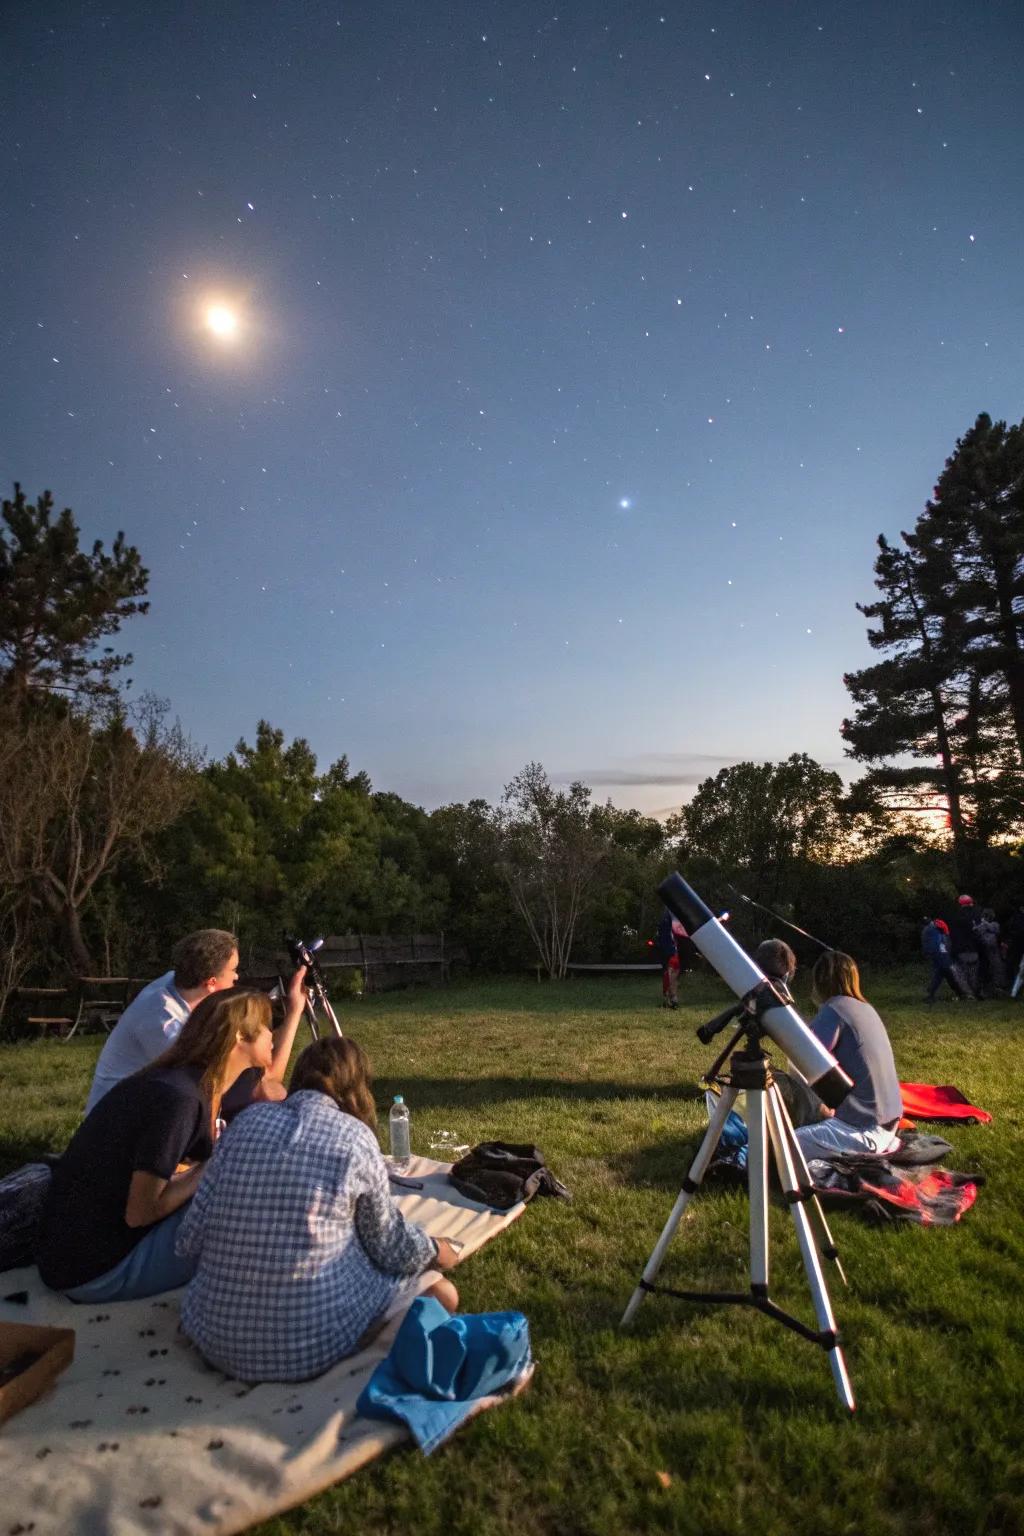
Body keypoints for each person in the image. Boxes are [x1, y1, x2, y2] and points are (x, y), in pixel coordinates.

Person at [175, 1036, 461, 1382]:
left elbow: (189, 1238)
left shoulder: (244, 1125)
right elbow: (389, 1246)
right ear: (356, 1086)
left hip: (213, 1337)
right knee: (441, 1293)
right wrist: (436, 1249)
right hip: (307, 1347)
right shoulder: (354, 1138)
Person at [37, 989, 279, 1302]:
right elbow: (140, 1212)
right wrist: (211, 1167)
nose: (272, 1035)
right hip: (96, 1269)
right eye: (265, 1027)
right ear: (238, 1038)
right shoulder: (179, 1101)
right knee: (244, 1197)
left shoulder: (187, 1083)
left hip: (76, 1255)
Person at [85, 929, 302, 1115]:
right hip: (121, 1122)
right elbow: (260, 1083)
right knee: (265, 1096)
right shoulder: (166, 1024)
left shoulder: (178, 984)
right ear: (211, 982)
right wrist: (294, 1012)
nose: (237, 977)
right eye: (233, 970)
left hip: (150, 1107)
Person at [792, 951, 903, 1162]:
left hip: (864, 1133)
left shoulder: (833, 1011)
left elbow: (803, 1058)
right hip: (889, 1124)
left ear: (819, 981)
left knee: (780, 1145)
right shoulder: (866, 1008)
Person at [921, 917, 966, 1002]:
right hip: (945, 955)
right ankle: (960, 993)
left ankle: (931, 995)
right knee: (945, 975)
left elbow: (929, 947)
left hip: (938, 956)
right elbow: (947, 943)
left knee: (943, 975)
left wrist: (928, 954)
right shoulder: (940, 929)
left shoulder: (927, 931)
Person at [655, 908, 687, 1009]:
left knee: (672, 972)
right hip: (670, 949)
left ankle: (670, 998)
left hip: (670, 949)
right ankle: (671, 998)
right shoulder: (670, 917)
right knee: (671, 972)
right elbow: (677, 931)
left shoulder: (667, 916)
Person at [949, 895, 981, 999]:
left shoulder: (955, 916)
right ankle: (975, 992)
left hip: (960, 950)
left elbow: (952, 935)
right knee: (973, 973)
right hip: (974, 949)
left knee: (961, 974)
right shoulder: (976, 915)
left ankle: (968, 994)